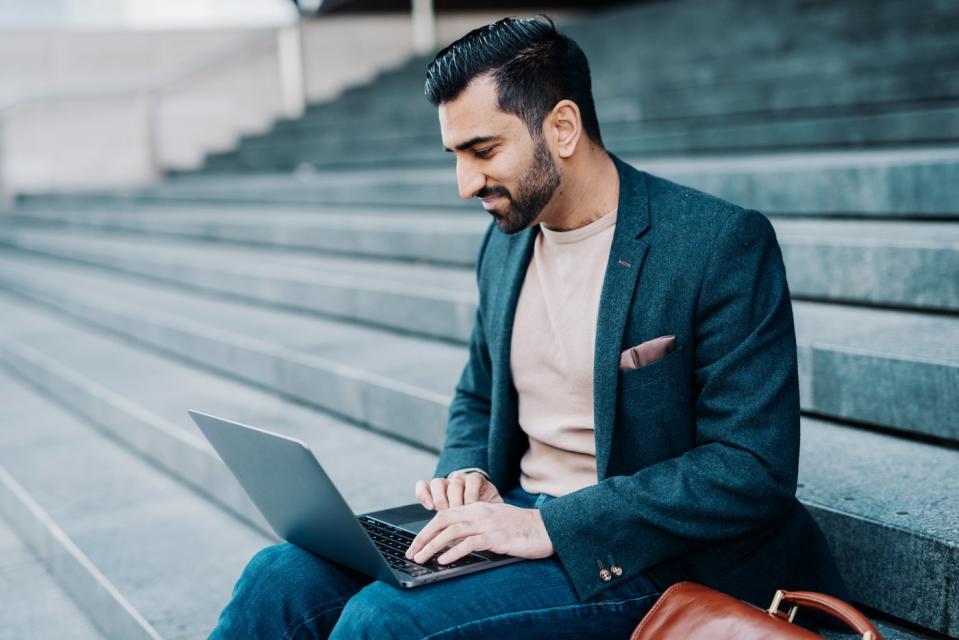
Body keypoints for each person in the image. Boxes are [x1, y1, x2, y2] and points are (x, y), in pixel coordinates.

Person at [208, 16, 847, 639]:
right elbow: (477, 394)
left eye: (483, 150)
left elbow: (751, 467)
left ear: (562, 128)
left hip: (648, 553)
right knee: (280, 578)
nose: (466, 185)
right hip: (513, 516)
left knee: (387, 621)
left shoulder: (717, 243)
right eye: (455, 154)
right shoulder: (506, 242)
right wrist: (467, 475)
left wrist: (552, 528)